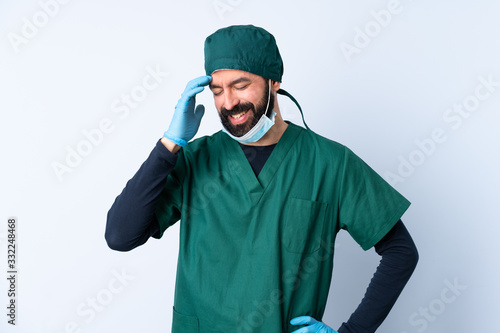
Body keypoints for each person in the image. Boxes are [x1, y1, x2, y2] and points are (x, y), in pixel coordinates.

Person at [105, 25, 419, 333]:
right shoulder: (194, 159)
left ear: (274, 82)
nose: (227, 102)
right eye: (217, 90)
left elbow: (400, 252)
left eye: (240, 85)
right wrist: (169, 143)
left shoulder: (330, 163)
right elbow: (120, 236)